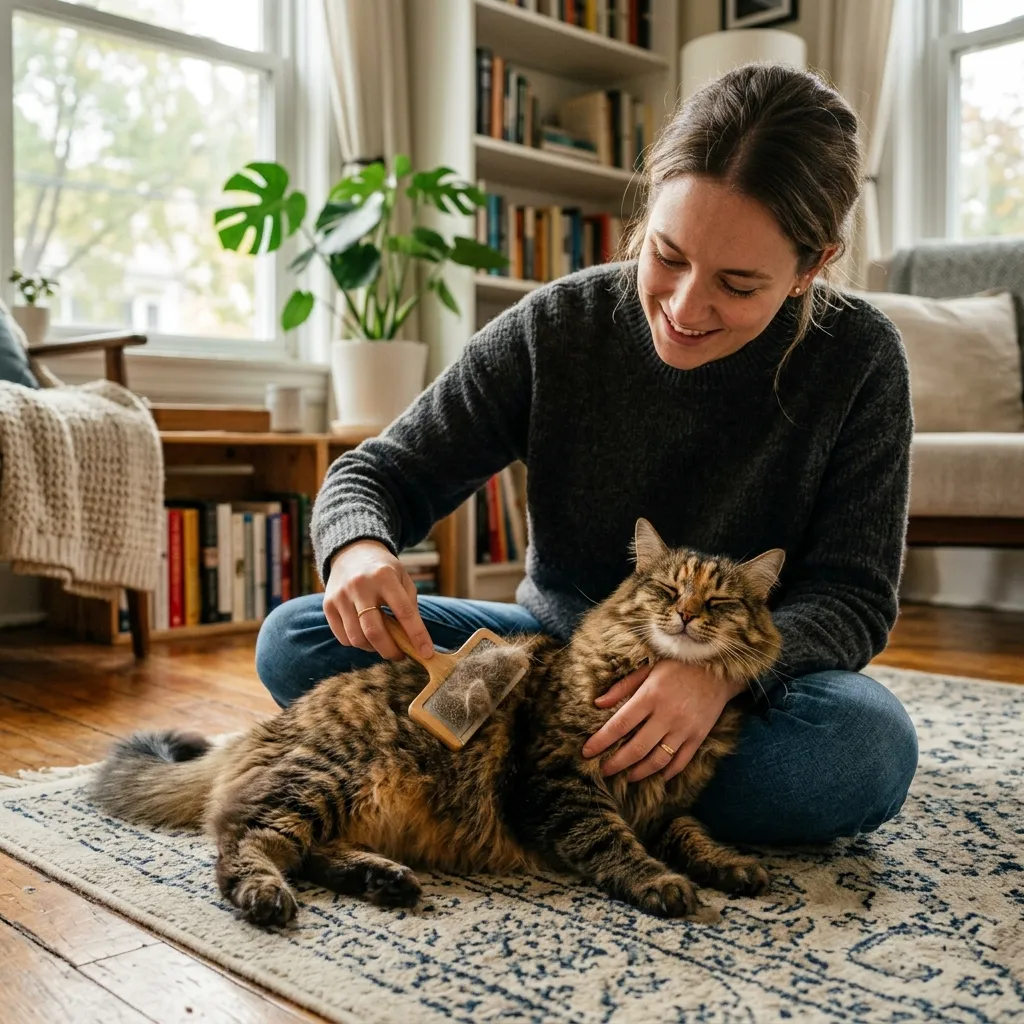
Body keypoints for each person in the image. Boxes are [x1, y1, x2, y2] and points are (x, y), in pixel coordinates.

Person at [256, 63, 918, 846]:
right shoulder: (557, 328)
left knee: (860, 754)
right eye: (667, 256)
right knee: (300, 638)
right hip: (545, 672)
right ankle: (592, 783)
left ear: (811, 268)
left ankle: (535, 786)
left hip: (737, 686)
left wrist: (713, 673)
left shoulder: (862, 361)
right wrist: (358, 549)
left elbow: (853, 596)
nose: (683, 307)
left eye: (738, 285)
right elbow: (379, 473)